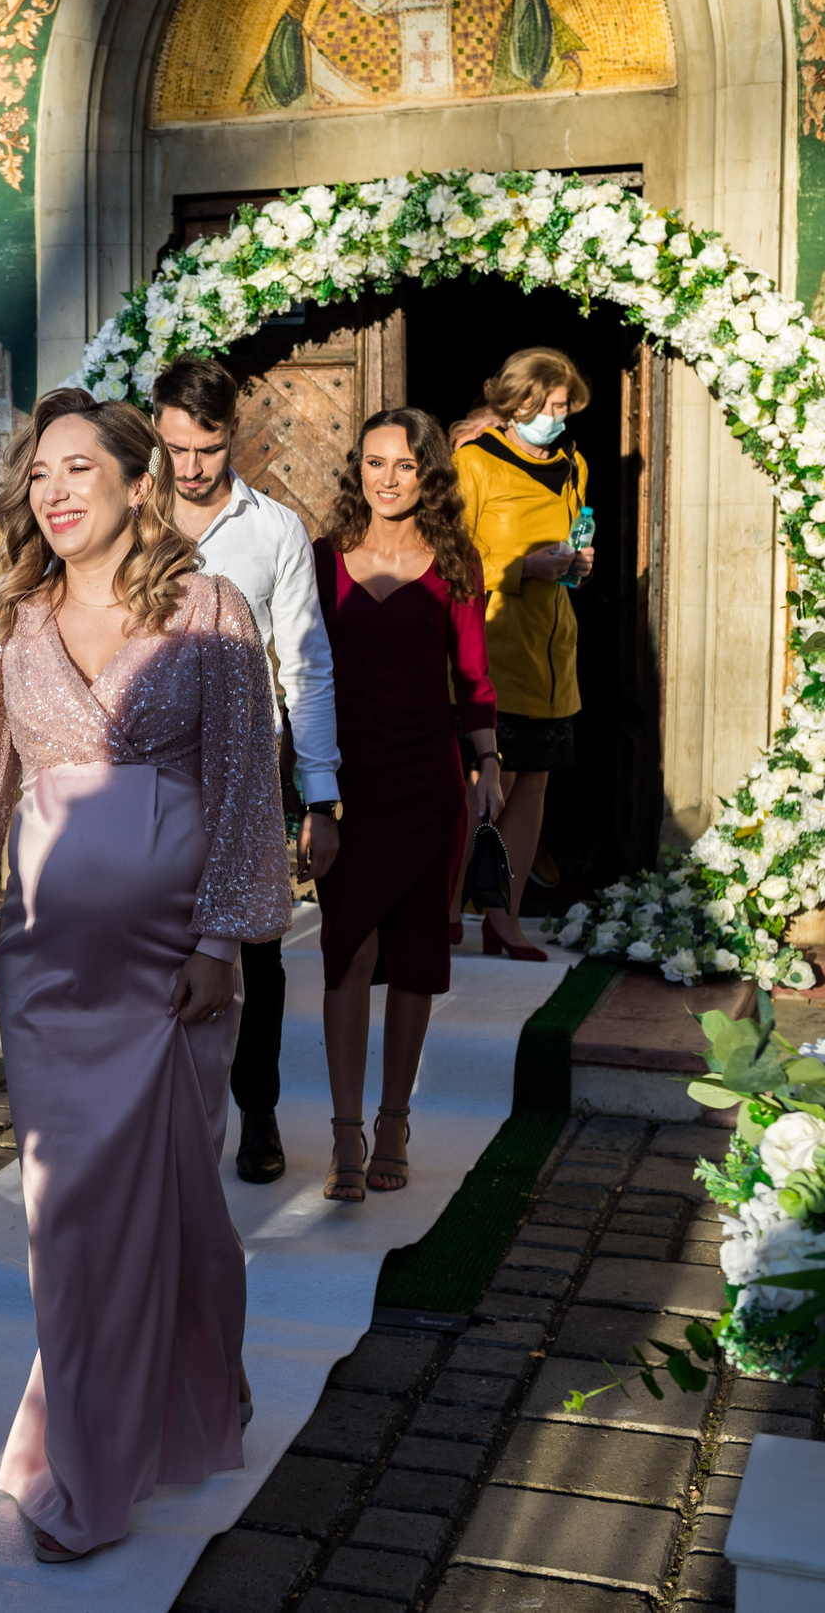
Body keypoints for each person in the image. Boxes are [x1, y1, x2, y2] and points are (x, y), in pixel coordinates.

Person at [0, 389, 288, 1563]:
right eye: (38, 474)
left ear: (138, 484)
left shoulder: (210, 609)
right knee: (73, 1222)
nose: (52, 492)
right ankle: (85, 1474)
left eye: (77, 469)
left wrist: (220, 943)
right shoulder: (8, 620)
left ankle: (200, 1381)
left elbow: (246, 781)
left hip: (174, 965)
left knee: (181, 1211)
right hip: (53, 967)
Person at [151, 356, 339, 1186]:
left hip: (250, 765)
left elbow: (307, 664)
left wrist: (322, 795)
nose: (191, 467)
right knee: (152, 934)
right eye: (176, 448)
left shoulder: (276, 529)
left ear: (237, 431)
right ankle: (155, 1114)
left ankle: (256, 1108)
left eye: (209, 447)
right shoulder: (132, 513)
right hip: (150, 763)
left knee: (257, 947)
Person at [315, 409, 501, 1201]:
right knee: (349, 951)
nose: (386, 478)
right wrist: (304, 787)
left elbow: (474, 676)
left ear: (429, 474)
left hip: (429, 782)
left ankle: (394, 1120)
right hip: (349, 784)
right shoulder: (321, 558)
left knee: (417, 958)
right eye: (373, 462)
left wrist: (488, 762)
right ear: (356, 468)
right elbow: (301, 673)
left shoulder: (455, 560)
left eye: (404, 464)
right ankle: (345, 1132)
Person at [455, 347, 592, 960]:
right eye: (551, 407)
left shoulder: (573, 464)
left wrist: (577, 566)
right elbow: (448, 559)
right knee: (486, 786)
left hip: (552, 650)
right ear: (518, 404)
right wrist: (520, 569)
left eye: (565, 408)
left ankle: (503, 920)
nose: (559, 419)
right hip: (492, 649)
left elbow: (574, 537)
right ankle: (444, 911)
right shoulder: (474, 462)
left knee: (532, 784)